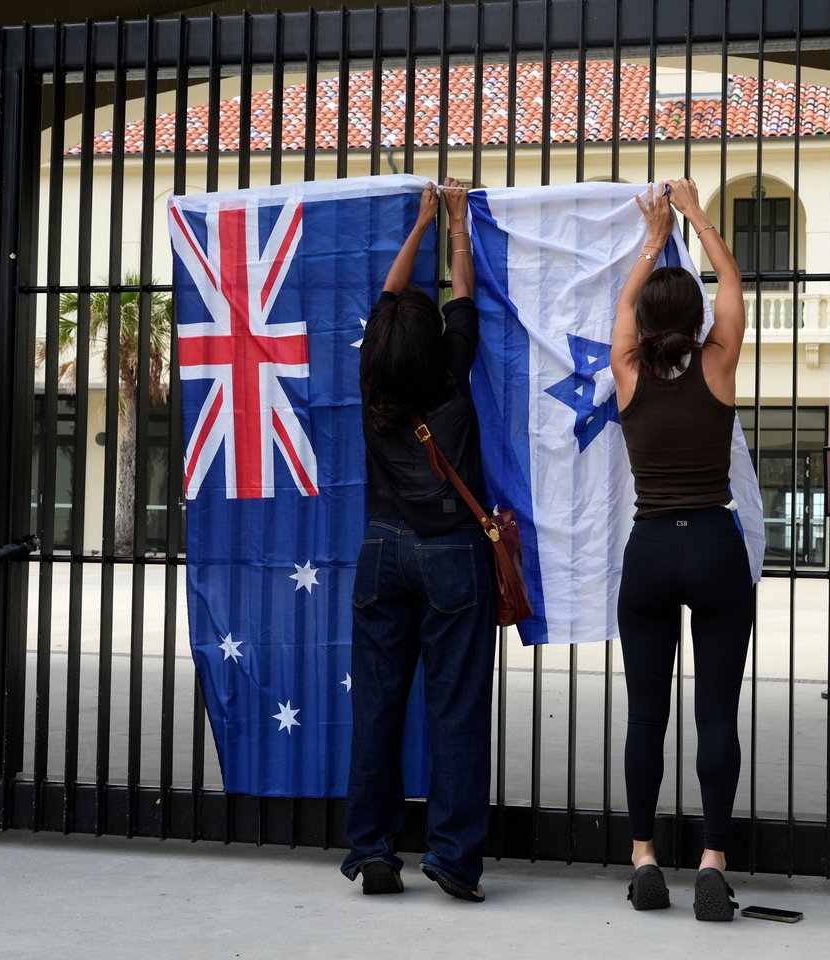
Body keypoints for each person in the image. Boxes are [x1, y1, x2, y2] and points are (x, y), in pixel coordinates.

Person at [340, 178, 496, 903]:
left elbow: (388, 298)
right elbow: (461, 293)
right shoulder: (451, 370)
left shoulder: (375, 376)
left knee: (376, 706)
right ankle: (454, 859)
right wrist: (455, 226)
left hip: (381, 551)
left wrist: (419, 222)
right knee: (454, 711)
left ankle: (372, 850)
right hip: (453, 556)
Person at [608, 179, 753, 921]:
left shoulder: (627, 373)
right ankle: (713, 861)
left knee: (644, 716)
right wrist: (695, 218)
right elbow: (730, 278)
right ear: (697, 320)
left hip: (651, 549)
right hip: (716, 547)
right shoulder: (718, 364)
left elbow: (626, 307)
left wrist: (651, 237)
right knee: (716, 713)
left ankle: (642, 858)